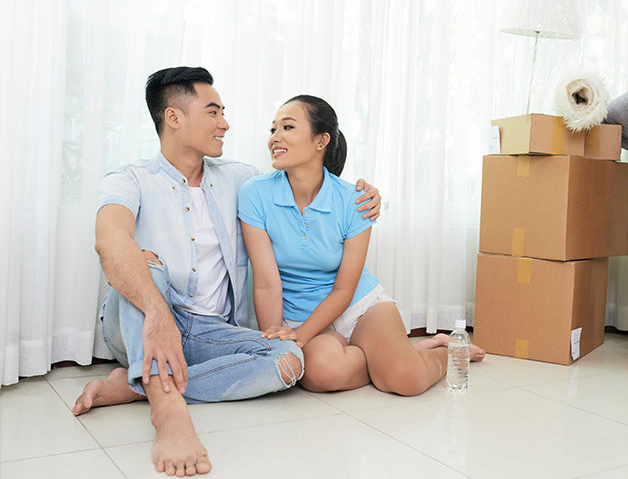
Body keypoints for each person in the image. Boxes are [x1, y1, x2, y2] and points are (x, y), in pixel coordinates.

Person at [71, 68, 381, 476]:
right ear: (174, 117)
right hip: (140, 320)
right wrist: (161, 316)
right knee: (145, 263)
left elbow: (308, 177)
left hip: (207, 332)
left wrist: (364, 194)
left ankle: (138, 386)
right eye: (214, 112)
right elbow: (110, 244)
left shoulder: (242, 180)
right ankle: (167, 411)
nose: (225, 124)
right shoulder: (129, 179)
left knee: (289, 359)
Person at [238, 95, 484, 397]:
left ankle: (445, 354)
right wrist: (279, 341)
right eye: (272, 129)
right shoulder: (255, 194)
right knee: (320, 375)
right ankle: (390, 357)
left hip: (357, 306)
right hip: (299, 315)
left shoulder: (356, 200)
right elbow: (265, 283)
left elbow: (344, 290)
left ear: (321, 141)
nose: (275, 138)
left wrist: (299, 338)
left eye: (287, 127)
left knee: (405, 381)